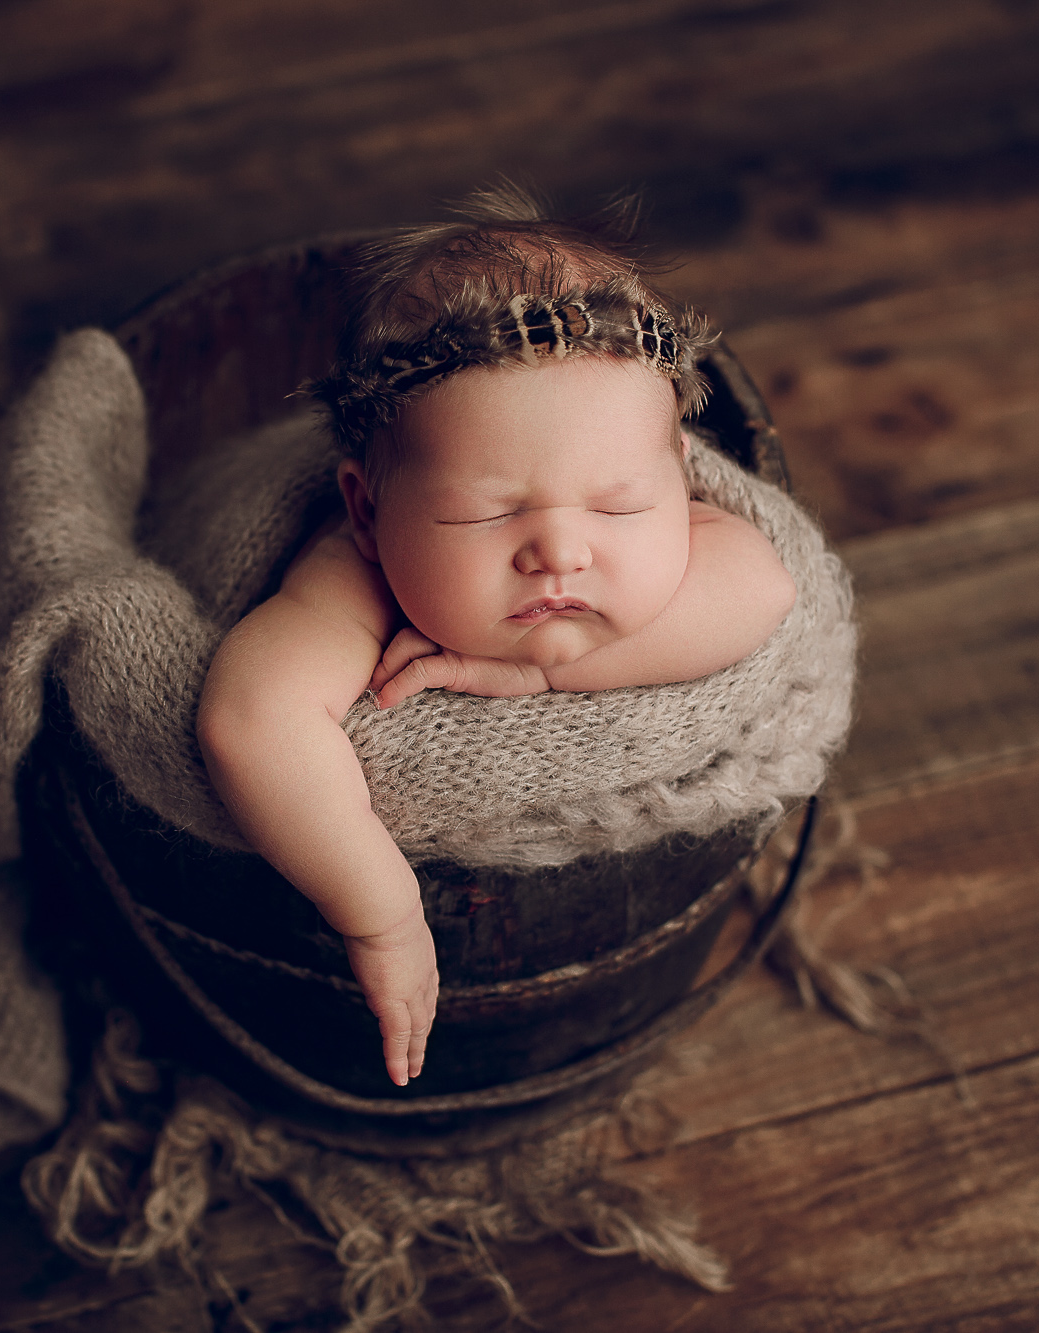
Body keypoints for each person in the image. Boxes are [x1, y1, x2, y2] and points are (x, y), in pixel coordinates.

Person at [195, 190, 798, 1087]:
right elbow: (251, 720)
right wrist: (382, 911)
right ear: (369, 511)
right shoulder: (351, 582)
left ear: (678, 474)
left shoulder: (680, 515)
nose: (560, 547)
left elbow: (766, 587)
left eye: (619, 503)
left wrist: (550, 676)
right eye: (493, 511)